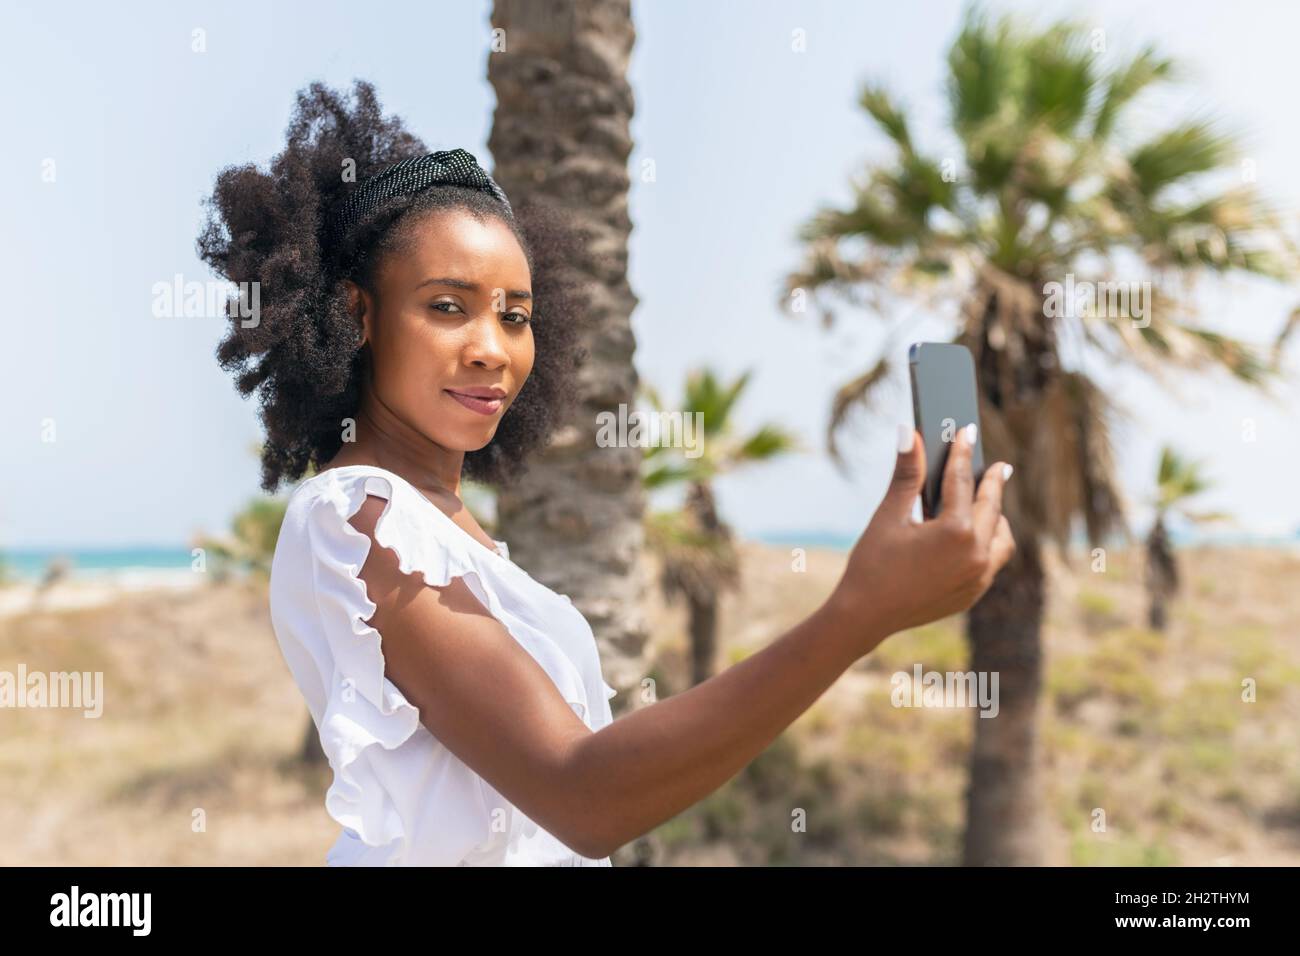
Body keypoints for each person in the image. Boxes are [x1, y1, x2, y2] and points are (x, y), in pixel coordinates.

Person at [199, 80, 1015, 866]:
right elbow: (584, 795)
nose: (492, 347)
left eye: (515, 315)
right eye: (448, 306)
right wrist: (857, 615)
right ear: (356, 315)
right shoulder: (360, 518)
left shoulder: (441, 523)